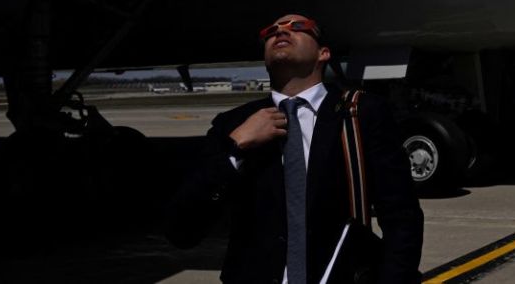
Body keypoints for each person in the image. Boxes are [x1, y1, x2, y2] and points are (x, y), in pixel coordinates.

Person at [167, 14, 423, 284]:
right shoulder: (231, 124)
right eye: (271, 31)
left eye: (298, 27)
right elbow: (181, 230)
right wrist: (235, 148)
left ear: (323, 53)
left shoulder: (360, 113)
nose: (281, 32)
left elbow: (401, 215)